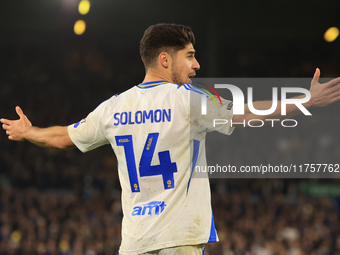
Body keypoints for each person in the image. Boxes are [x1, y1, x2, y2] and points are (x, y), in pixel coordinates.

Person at [1, 23, 340, 255]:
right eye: (189, 56)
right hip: (180, 238)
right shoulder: (188, 99)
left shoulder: (113, 107)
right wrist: (305, 101)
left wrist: (28, 132)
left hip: (134, 242)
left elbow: (64, 138)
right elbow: (247, 112)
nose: (196, 64)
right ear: (165, 59)